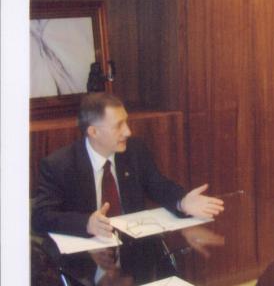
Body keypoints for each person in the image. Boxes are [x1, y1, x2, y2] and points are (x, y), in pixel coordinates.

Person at [31, 93, 224, 238]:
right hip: (86, 262)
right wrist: (86, 223)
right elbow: (40, 218)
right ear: (93, 132)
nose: (128, 132)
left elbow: (158, 185)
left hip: (134, 251)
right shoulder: (59, 165)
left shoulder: (134, 150)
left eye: (126, 123)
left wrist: (182, 202)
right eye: (118, 126)